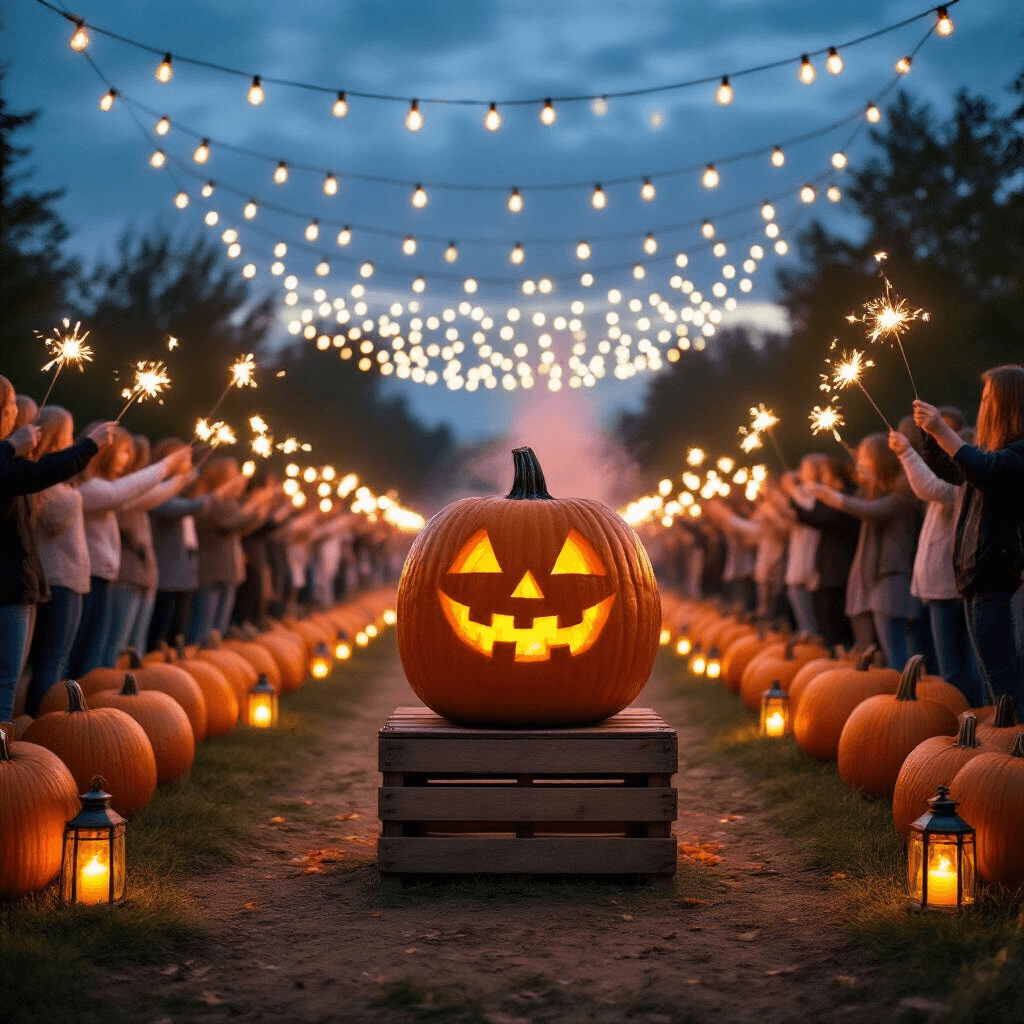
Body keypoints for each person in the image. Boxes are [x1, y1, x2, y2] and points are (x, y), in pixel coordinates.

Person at [0, 375, 113, 721]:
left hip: (23, 584)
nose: (15, 415)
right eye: (10, 407)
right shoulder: (10, 465)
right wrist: (89, 445)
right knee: (9, 678)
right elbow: (44, 473)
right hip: (9, 585)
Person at [915, 365, 1024, 708]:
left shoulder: (1017, 453)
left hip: (998, 579)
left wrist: (943, 431)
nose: (983, 403)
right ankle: (1003, 743)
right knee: (991, 678)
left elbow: (987, 471)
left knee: (1004, 680)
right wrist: (931, 438)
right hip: (974, 578)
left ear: (1008, 403)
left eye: (989, 396)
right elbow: (954, 470)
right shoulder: (989, 450)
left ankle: (1012, 751)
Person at [67, 425, 190, 676]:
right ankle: (71, 704)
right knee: (84, 653)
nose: (128, 459)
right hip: (90, 578)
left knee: (96, 650)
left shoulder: (105, 490)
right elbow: (121, 493)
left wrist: (178, 478)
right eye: (123, 452)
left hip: (103, 577)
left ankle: (89, 697)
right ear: (107, 453)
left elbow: (145, 496)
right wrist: (168, 466)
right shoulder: (89, 489)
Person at [889, 410, 983, 705]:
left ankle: (966, 718)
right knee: (949, 664)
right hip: (937, 585)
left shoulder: (961, 483)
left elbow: (929, 486)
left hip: (951, 585)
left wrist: (906, 451)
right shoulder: (952, 479)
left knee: (957, 666)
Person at [811, 434, 922, 667]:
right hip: (871, 578)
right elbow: (863, 500)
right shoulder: (874, 490)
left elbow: (873, 510)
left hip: (893, 574)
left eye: (864, 455)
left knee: (898, 651)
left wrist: (834, 498)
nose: (859, 460)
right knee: (883, 650)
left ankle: (904, 695)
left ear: (878, 459)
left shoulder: (903, 491)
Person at [24, 407, 94, 714]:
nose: (71, 440)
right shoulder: (46, 481)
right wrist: (74, 491)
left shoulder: (52, 479)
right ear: (54, 437)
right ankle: (42, 721)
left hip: (69, 578)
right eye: (67, 435)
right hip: (58, 578)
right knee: (52, 658)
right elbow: (53, 520)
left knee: (56, 657)